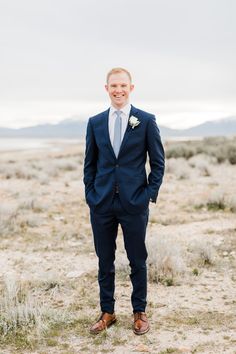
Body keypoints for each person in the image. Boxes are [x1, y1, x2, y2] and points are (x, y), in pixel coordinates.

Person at [83, 67, 165, 335]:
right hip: (102, 203)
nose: (118, 90)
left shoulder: (146, 120)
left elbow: (158, 163)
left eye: (123, 86)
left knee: (137, 259)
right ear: (106, 89)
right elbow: (90, 165)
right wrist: (91, 195)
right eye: (113, 86)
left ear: (131, 88)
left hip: (134, 203)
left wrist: (148, 195)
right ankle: (107, 312)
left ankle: (139, 312)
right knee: (104, 260)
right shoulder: (94, 122)